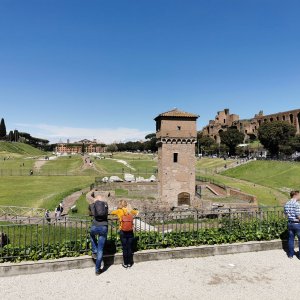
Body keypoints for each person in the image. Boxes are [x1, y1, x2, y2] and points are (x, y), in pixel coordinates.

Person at [111, 200, 138, 269]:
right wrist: (131, 209)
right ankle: (129, 263)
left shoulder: (119, 211)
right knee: (129, 247)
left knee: (124, 247)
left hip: (122, 230)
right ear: (126, 204)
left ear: (120, 204)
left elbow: (111, 212)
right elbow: (137, 212)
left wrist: (117, 209)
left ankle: (125, 263)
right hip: (130, 231)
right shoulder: (130, 210)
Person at [89, 195, 109, 276]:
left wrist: (93, 203)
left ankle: (94, 250)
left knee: (91, 235)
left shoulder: (94, 204)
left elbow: (90, 212)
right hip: (104, 227)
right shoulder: (105, 204)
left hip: (95, 226)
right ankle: (97, 270)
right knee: (101, 249)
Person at [284, 190, 300, 258]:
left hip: (290, 223)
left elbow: (286, 213)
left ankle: (290, 255)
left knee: (291, 239)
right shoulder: (297, 204)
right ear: (295, 195)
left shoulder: (287, 203)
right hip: (297, 224)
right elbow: (298, 216)